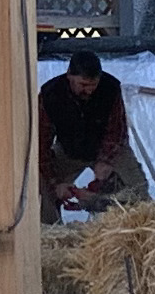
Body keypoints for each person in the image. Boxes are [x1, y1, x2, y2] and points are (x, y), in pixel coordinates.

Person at [37, 49, 137, 218]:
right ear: (69, 75)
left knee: (137, 189)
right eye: (83, 85)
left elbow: (116, 130)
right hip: (68, 149)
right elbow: (41, 142)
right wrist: (55, 184)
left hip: (107, 147)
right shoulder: (50, 94)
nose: (89, 91)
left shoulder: (111, 88)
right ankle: (51, 232)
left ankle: (127, 226)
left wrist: (105, 161)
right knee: (40, 187)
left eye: (93, 86)